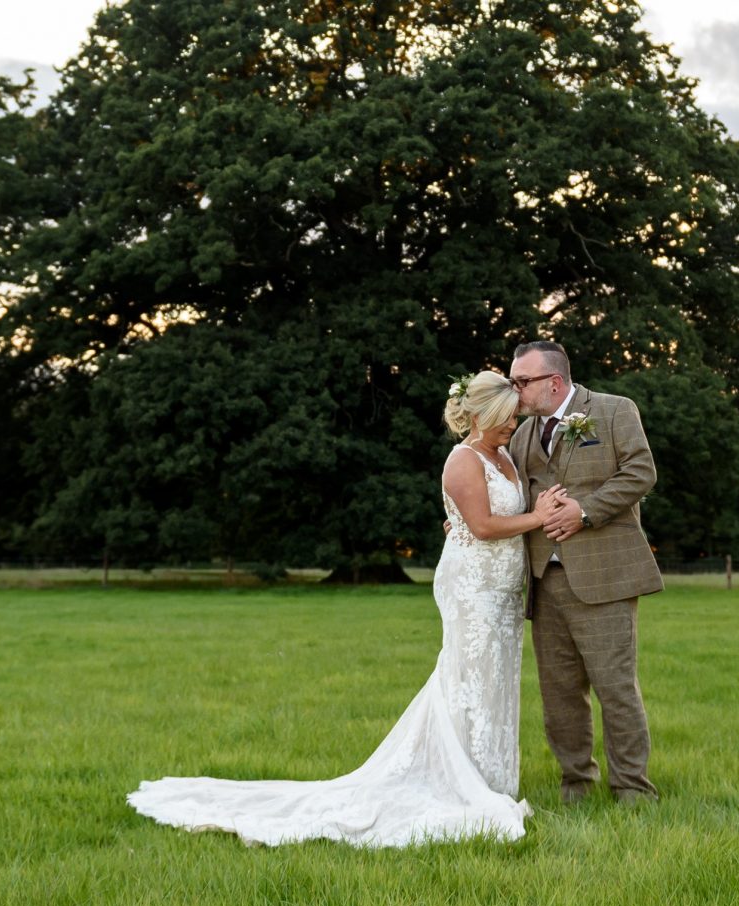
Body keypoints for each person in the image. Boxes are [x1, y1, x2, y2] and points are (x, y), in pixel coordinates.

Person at [126, 371, 561, 847]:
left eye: (515, 417)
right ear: (478, 416)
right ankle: (460, 783)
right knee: (467, 679)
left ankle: (491, 780)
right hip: (471, 589)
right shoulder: (462, 460)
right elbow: (479, 525)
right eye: (504, 418)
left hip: (501, 589)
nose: (512, 425)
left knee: (496, 681)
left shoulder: (504, 456)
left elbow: (463, 519)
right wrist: (538, 517)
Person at [504, 340, 663, 804]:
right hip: (543, 581)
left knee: (615, 688)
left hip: (605, 578)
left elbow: (640, 472)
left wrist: (586, 512)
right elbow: (508, 494)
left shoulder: (615, 411)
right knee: (558, 695)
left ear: (554, 382)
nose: (516, 392)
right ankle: (575, 783)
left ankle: (633, 789)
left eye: (523, 382)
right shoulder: (522, 434)